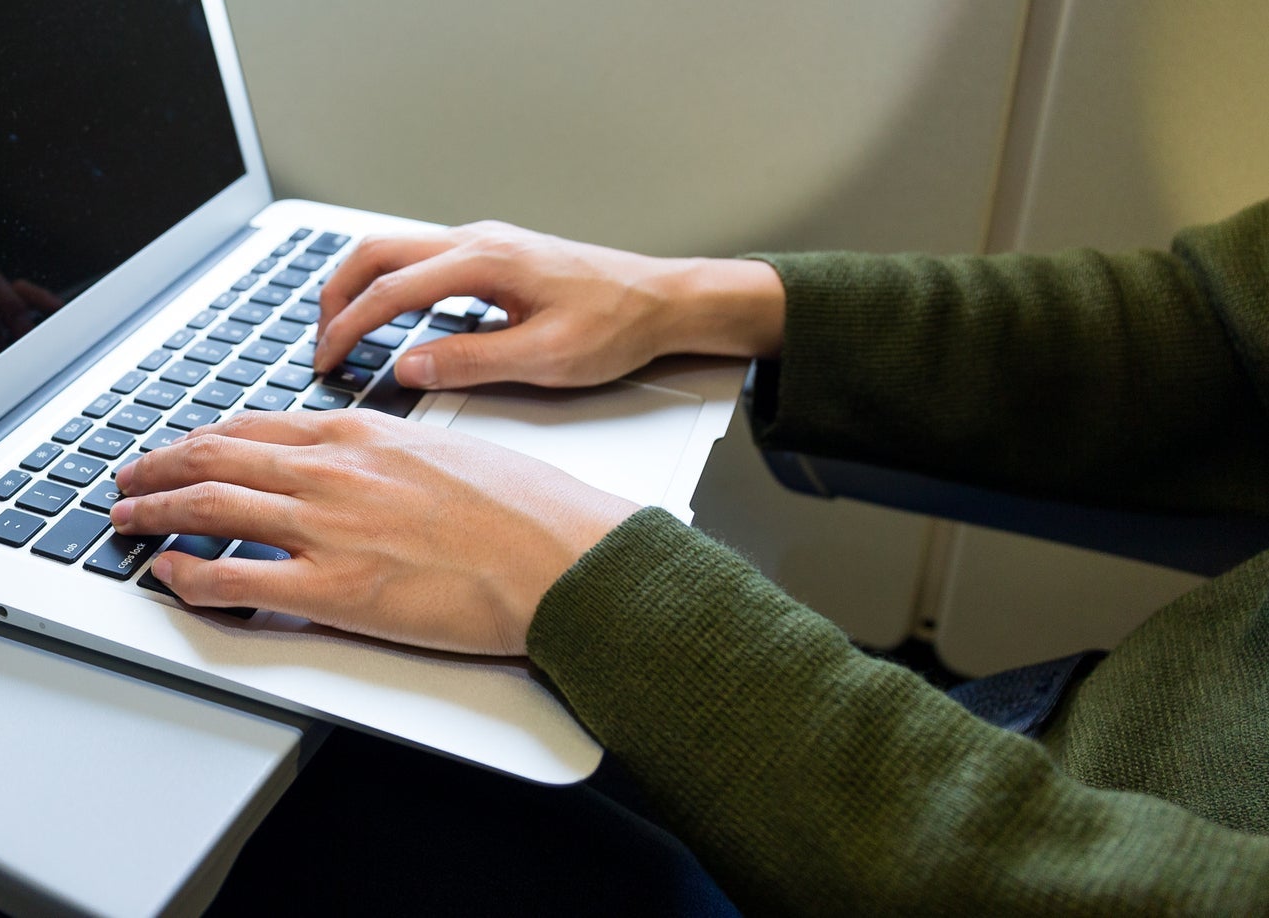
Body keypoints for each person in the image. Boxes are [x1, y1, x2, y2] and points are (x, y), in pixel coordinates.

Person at [104, 204, 1269, 913]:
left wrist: (581, 569)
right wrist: (691, 299)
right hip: (1055, 758)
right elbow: (1216, 331)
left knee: (304, 817)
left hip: (1024, 856)